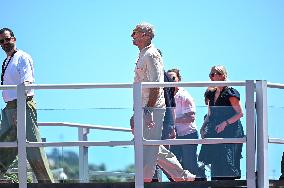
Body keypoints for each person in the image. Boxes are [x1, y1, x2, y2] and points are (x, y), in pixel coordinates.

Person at [130, 22, 195, 182]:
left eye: (135, 32)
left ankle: (144, 179)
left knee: (149, 146)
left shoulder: (151, 54)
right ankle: (182, 175)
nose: (132, 36)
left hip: (151, 108)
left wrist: (149, 111)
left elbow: (156, 84)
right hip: (144, 108)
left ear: (145, 35)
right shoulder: (143, 54)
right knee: (149, 144)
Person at [0, 28, 54, 183]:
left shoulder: (22, 57)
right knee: (5, 144)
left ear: (14, 39)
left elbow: (27, 83)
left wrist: (20, 109)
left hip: (21, 105)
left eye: (7, 39)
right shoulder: (6, 61)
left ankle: (47, 184)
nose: (4, 43)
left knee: (33, 148)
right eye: (1, 41)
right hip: (9, 108)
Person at [199, 65, 244, 180]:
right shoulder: (210, 93)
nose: (211, 77)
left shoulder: (230, 93)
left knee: (227, 161)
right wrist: (203, 127)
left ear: (222, 76)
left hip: (231, 130)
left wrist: (225, 123)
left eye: (213, 74)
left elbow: (239, 113)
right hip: (216, 130)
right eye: (210, 75)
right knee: (215, 161)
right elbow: (210, 114)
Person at [167, 69, 200, 177]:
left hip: (188, 134)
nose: (171, 81)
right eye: (168, 79)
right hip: (175, 136)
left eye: (173, 78)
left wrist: (172, 121)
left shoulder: (184, 96)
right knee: (174, 165)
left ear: (179, 80)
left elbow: (191, 117)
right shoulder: (167, 96)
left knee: (190, 166)